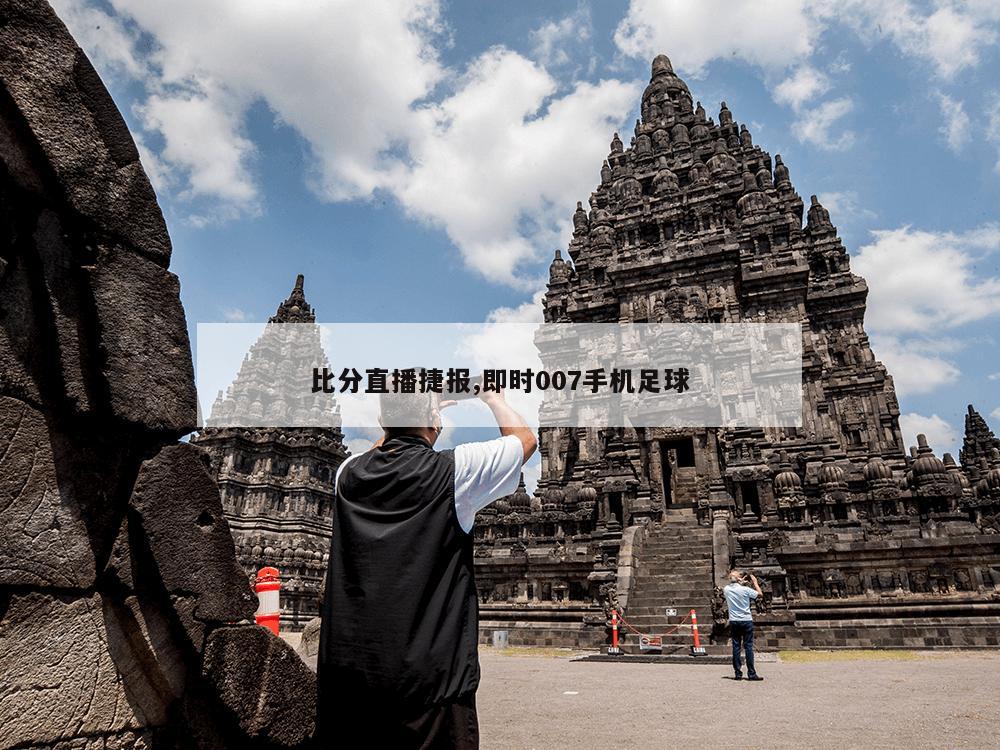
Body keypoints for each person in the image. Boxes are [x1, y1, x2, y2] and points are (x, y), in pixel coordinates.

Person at [316, 382, 537, 749]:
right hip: (430, 685)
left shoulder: (347, 475)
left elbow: (380, 444)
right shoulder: (454, 472)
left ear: (382, 421)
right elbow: (524, 440)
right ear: (435, 420)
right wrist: (494, 398)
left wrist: (407, 416)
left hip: (349, 684)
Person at [723, 569, 764, 681]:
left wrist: (740, 581)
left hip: (734, 621)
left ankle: (738, 673)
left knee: (736, 647)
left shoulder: (726, 589)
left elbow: (733, 586)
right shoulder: (746, 590)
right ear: (739, 579)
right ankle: (751, 674)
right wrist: (754, 582)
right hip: (746, 620)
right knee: (748, 647)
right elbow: (760, 595)